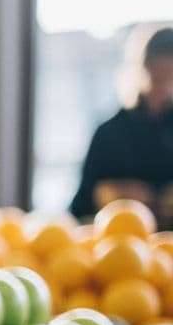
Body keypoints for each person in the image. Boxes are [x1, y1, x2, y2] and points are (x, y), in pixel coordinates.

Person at [70, 27, 173, 226]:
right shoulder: (109, 134)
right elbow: (79, 207)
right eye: (158, 72)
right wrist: (115, 195)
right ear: (143, 69)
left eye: (170, 73)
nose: (165, 83)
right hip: (118, 241)